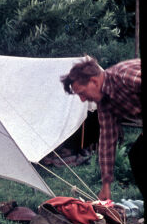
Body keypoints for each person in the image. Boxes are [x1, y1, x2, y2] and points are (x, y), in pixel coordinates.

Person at [60, 57, 143, 201]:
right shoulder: (104, 103)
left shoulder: (124, 76)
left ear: (94, 81)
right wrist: (106, 185)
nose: (82, 100)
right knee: (137, 156)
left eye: (82, 93)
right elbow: (107, 140)